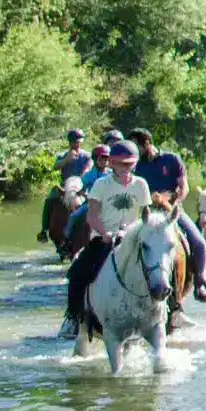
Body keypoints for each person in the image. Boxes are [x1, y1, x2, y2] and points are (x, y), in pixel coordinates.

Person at [60, 141, 154, 338]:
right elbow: (91, 215)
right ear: (111, 163)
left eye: (129, 164)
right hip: (103, 239)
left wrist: (136, 230)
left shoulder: (141, 184)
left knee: (157, 270)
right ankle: (73, 317)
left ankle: (168, 314)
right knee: (77, 272)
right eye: (121, 164)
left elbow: (145, 214)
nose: (125, 168)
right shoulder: (101, 184)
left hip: (131, 238)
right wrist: (104, 233)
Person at [128, 128, 206, 302]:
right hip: (146, 213)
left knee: (199, 243)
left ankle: (200, 282)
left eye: (136, 146)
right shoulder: (134, 165)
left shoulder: (171, 159)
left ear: (147, 143)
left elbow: (184, 188)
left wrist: (172, 201)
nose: (134, 151)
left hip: (170, 211)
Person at [38, 129, 92, 240]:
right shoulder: (62, 155)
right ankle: (44, 230)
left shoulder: (87, 155)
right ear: (70, 142)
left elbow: (89, 167)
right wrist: (66, 160)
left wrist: (84, 174)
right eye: (74, 142)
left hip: (82, 184)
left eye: (78, 142)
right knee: (49, 200)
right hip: (65, 184)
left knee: (95, 199)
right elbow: (56, 166)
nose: (77, 144)